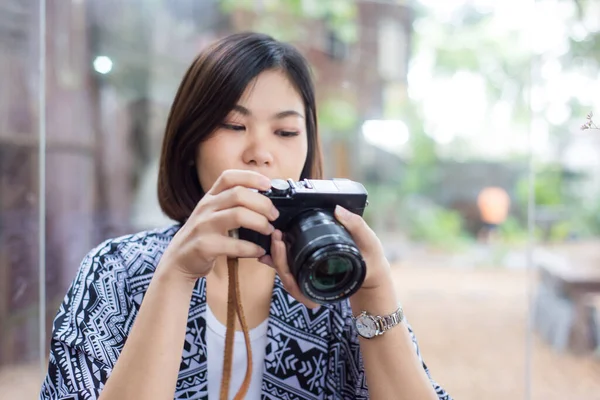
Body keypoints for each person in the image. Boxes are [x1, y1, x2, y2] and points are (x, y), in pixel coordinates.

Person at [40, 32, 451, 400]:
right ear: (189, 142)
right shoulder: (115, 272)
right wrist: (176, 276)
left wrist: (375, 291)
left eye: (286, 132)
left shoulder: (334, 279)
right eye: (234, 125)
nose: (260, 151)